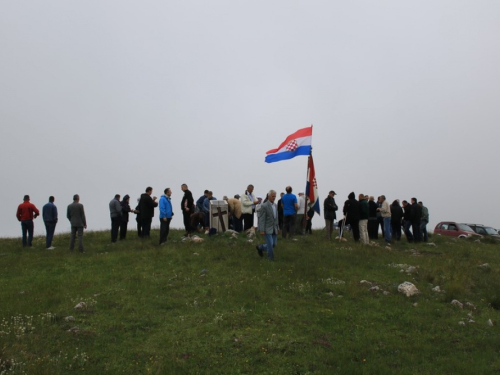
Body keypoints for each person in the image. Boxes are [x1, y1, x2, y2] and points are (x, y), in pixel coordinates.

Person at [256, 190, 279, 261]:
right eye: (272, 196)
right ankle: (270, 259)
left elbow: (276, 218)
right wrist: (262, 230)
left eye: (275, 196)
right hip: (267, 228)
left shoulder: (275, 205)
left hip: (274, 228)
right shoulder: (264, 206)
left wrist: (278, 228)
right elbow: (262, 218)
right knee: (270, 244)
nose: (274, 198)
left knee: (274, 244)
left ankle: (260, 247)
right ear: (269, 196)